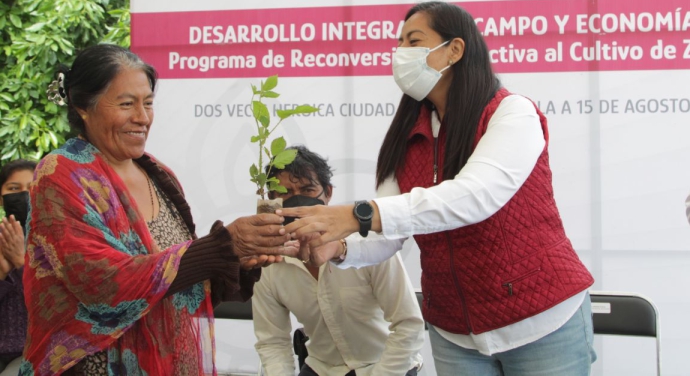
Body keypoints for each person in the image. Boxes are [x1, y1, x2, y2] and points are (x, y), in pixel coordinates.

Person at [281, 2, 597, 375]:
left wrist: (356, 214)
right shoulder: (408, 135)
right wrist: (340, 247)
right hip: (455, 333)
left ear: (455, 49)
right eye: (399, 43)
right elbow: (390, 232)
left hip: (541, 322)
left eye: (414, 41)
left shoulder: (511, 113)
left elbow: (475, 196)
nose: (401, 53)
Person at [20, 44, 297, 376]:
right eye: (126, 104)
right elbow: (102, 286)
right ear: (83, 107)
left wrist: (238, 260)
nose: (142, 117)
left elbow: (179, 282)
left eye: (148, 103)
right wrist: (221, 246)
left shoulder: (159, 175)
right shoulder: (61, 175)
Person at [252, 146, 424, 376]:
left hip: (387, 365)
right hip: (322, 368)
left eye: (307, 190)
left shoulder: (369, 244)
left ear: (328, 193)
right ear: (272, 200)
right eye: (285, 192)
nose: (297, 201)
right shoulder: (269, 261)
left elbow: (408, 325)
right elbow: (272, 343)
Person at [0, 159, 36, 376]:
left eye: (32, 189)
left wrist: (21, 263)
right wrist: (2, 272)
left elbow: (53, 303)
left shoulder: (56, 243)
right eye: (14, 188)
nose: (24, 195)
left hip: (33, 353)